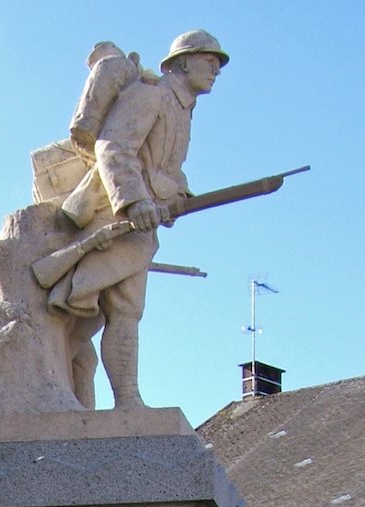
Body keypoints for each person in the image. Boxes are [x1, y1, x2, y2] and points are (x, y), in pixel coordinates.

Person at [47, 30, 228, 409]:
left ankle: (115, 397)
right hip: (112, 218)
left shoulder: (181, 110)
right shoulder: (152, 94)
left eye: (217, 63)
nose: (216, 68)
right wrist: (133, 202)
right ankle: (114, 397)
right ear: (181, 62)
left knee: (120, 313)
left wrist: (177, 197)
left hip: (140, 225)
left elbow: (161, 168)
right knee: (94, 313)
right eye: (208, 60)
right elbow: (112, 146)